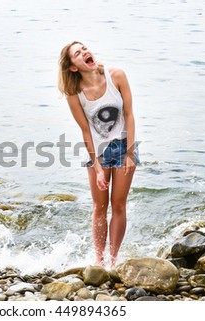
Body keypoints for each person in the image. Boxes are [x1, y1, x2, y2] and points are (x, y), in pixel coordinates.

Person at [58, 41, 140, 267]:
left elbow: (130, 115)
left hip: (124, 146)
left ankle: (112, 262)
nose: (85, 52)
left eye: (84, 48)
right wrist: (96, 170)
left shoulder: (117, 76)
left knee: (119, 204)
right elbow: (85, 130)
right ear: (73, 67)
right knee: (99, 207)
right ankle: (98, 260)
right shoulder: (74, 93)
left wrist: (130, 153)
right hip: (97, 151)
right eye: (77, 53)